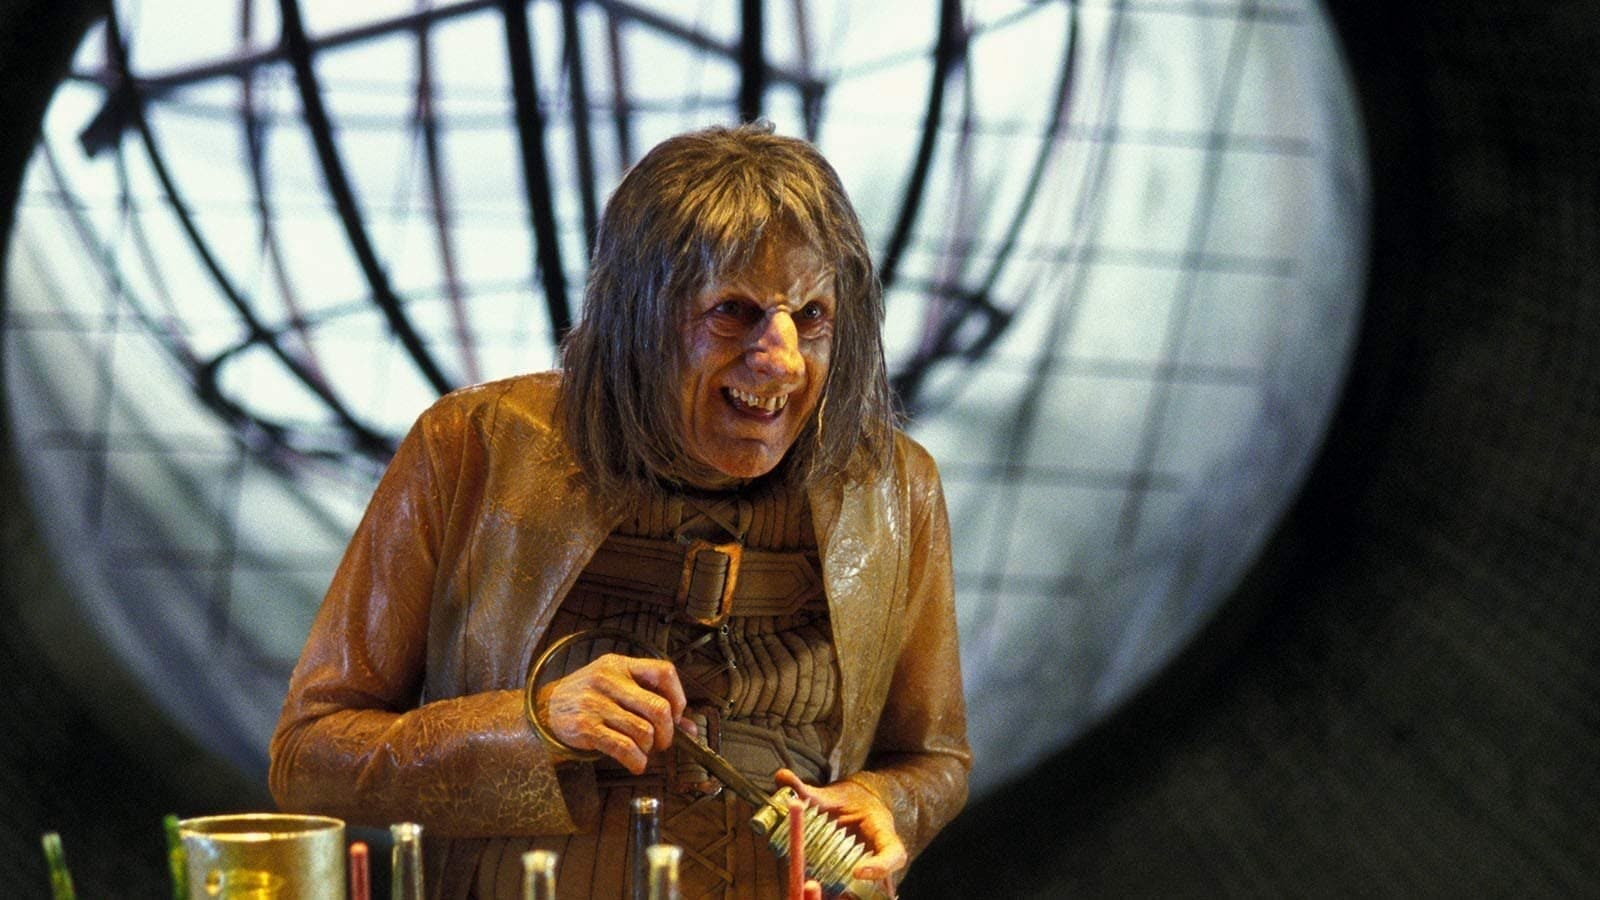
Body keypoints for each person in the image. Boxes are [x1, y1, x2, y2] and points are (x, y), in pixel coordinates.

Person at [268, 122, 969, 899]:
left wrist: (886, 802)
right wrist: (534, 725)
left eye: (811, 316)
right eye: (732, 311)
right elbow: (311, 755)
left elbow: (933, 759)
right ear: (638, 316)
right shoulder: (474, 447)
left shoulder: (895, 489)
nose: (782, 361)